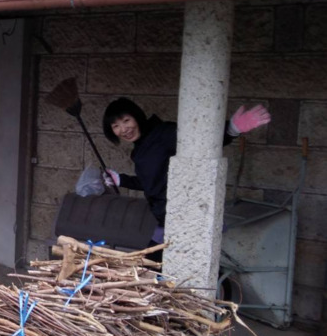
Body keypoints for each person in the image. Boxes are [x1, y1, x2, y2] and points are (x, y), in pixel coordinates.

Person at [102, 98, 271, 242]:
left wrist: (231, 129)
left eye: (126, 121)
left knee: (157, 263)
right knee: (163, 264)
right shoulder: (139, 149)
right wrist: (121, 180)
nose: (123, 129)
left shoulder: (163, 134)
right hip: (166, 219)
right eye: (116, 126)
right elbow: (153, 183)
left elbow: (199, 141)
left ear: (137, 116)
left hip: (185, 215)